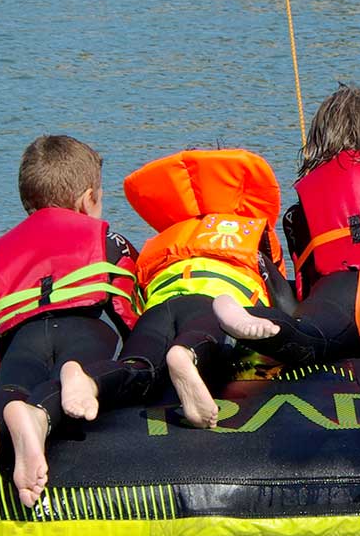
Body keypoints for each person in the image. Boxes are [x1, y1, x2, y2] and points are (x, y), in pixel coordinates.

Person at [0, 135, 139, 523]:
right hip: (85, 332)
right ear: (88, 198)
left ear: (27, 201)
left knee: (11, 382)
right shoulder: (107, 239)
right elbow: (129, 317)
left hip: (23, 339)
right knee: (78, 373)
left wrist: (2, 372)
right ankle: (65, 385)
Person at [36, 148, 289, 429]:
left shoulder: (168, 239)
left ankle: (89, 380)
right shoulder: (248, 238)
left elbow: (134, 295)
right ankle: (186, 353)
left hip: (159, 308)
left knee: (140, 366)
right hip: (213, 302)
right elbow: (284, 301)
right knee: (208, 338)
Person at [212, 85, 360, 365]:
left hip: (332, 299)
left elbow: (304, 288)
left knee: (306, 336)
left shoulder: (296, 214)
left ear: (318, 142)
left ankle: (250, 317)